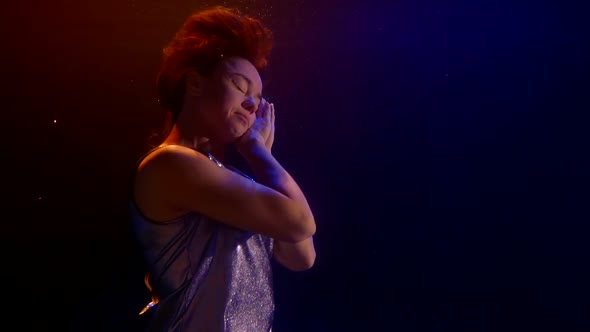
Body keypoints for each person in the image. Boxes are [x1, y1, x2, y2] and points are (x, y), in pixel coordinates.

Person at [128, 5, 317, 332]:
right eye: (240, 86)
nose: (251, 105)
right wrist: (260, 155)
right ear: (195, 84)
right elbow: (299, 221)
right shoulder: (169, 164)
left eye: (257, 98)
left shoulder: (230, 181)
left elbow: (301, 256)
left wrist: (260, 156)